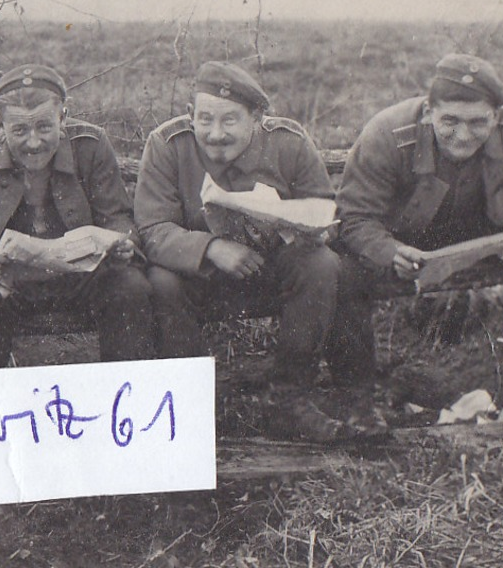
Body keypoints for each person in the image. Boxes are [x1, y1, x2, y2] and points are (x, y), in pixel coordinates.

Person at [332, 53, 503, 428]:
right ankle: (358, 406)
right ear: (429, 111)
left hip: (489, 242)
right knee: (340, 269)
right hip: (407, 252)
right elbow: (355, 217)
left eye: (478, 123)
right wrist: (389, 251)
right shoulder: (387, 134)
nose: (463, 134)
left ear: (496, 115)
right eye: (450, 121)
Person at [134, 61, 380, 441]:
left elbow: (323, 208)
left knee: (322, 265)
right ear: (189, 116)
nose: (215, 134)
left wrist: (302, 230)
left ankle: (289, 399)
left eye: (230, 121)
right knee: (160, 282)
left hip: (272, 272)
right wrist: (212, 247)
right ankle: (191, 407)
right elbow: (153, 228)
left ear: (257, 118)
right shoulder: (167, 145)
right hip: (200, 277)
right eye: (205, 120)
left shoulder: (288, 143)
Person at [0, 64, 153, 369]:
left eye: (45, 127)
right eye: (19, 130)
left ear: (63, 117)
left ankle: (126, 399)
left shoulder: (90, 145)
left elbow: (117, 216)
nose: (33, 142)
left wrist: (122, 242)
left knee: (131, 289)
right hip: (10, 281)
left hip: (80, 277)